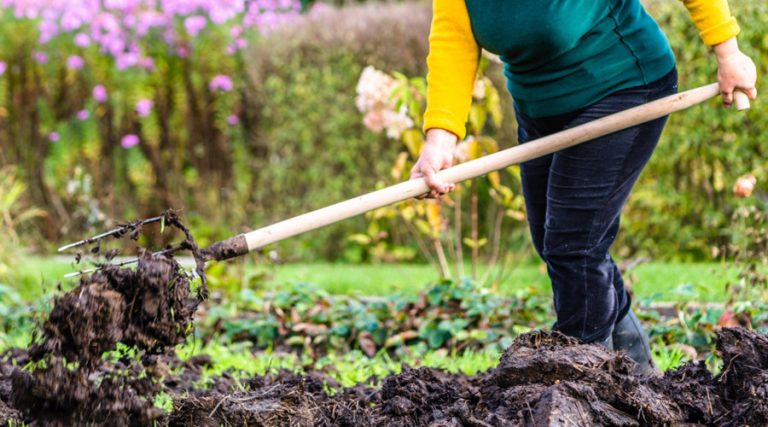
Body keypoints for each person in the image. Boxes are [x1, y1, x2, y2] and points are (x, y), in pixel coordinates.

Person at [410, 0, 757, 376]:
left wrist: (728, 50)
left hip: (623, 86)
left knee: (573, 247)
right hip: (540, 108)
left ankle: (586, 382)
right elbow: (453, 41)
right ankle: (639, 375)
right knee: (557, 245)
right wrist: (440, 140)